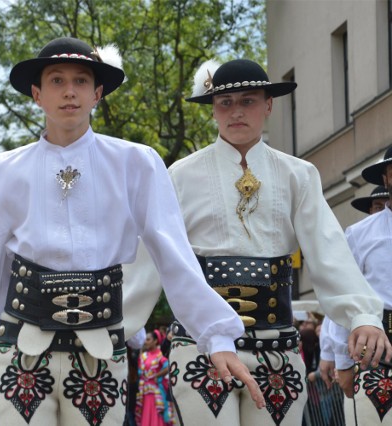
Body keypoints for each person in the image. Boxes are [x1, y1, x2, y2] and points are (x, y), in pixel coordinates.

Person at [0, 37, 265, 426]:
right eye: (56, 81)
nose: (69, 91)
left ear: (98, 93)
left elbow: (173, 255)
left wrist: (216, 334)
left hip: (102, 348)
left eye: (81, 81)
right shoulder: (3, 170)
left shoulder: (136, 163)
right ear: (36, 94)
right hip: (21, 345)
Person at [163, 59, 390, 426]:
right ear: (213, 110)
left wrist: (361, 314)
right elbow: (162, 259)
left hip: (278, 346)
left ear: (268, 104)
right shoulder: (179, 176)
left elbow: (328, 249)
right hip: (201, 346)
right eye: (225, 102)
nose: (236, 111)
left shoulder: (298, 175)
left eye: (248, 100)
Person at [325, 145, 392, 424]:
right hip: (375, 354)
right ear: (386, 179)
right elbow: (344, 295)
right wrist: (340, 358)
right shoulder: (361, 234)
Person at [135, 330, 174, 426]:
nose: (145, 342)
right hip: (144, 391)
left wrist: (157, 375)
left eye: (148, 339)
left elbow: (169, 366)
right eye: (145, 339)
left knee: (157, 416)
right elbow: (139, 372)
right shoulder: (143, 356)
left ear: (155, 341)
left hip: (156, 392)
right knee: (145, 417)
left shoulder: (160, 354)